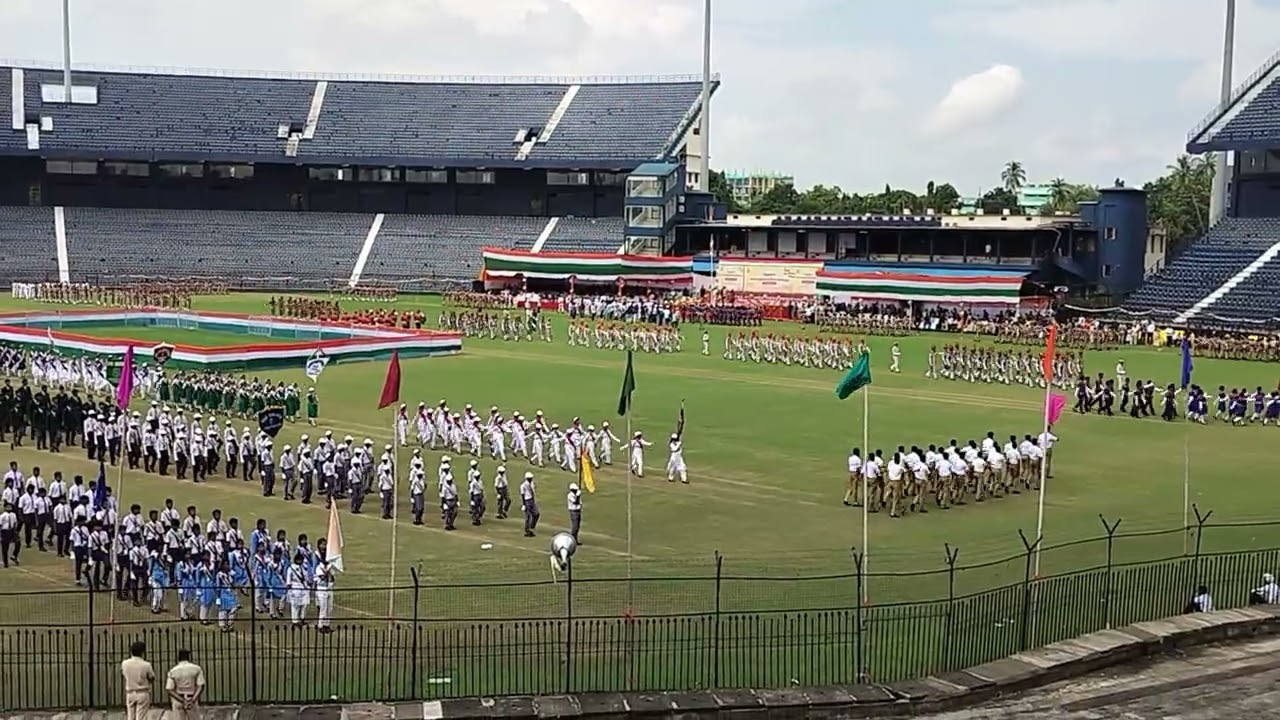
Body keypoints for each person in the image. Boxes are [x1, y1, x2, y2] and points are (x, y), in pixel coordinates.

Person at [165, 649, 205, 720]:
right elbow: (201, 686)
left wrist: (183, 700)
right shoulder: (196, 669)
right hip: (191, 697)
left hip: (178, 699)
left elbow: (169, 689)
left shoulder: (173, 671)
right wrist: (192, 700)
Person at [121, 640, 155, 720]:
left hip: (130, 692)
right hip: (142, 692)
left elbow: (123, 674)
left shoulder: (125, 663)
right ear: (142, 652)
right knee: (141, 717)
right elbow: (152, 677)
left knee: (130, 716)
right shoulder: (146, 665)